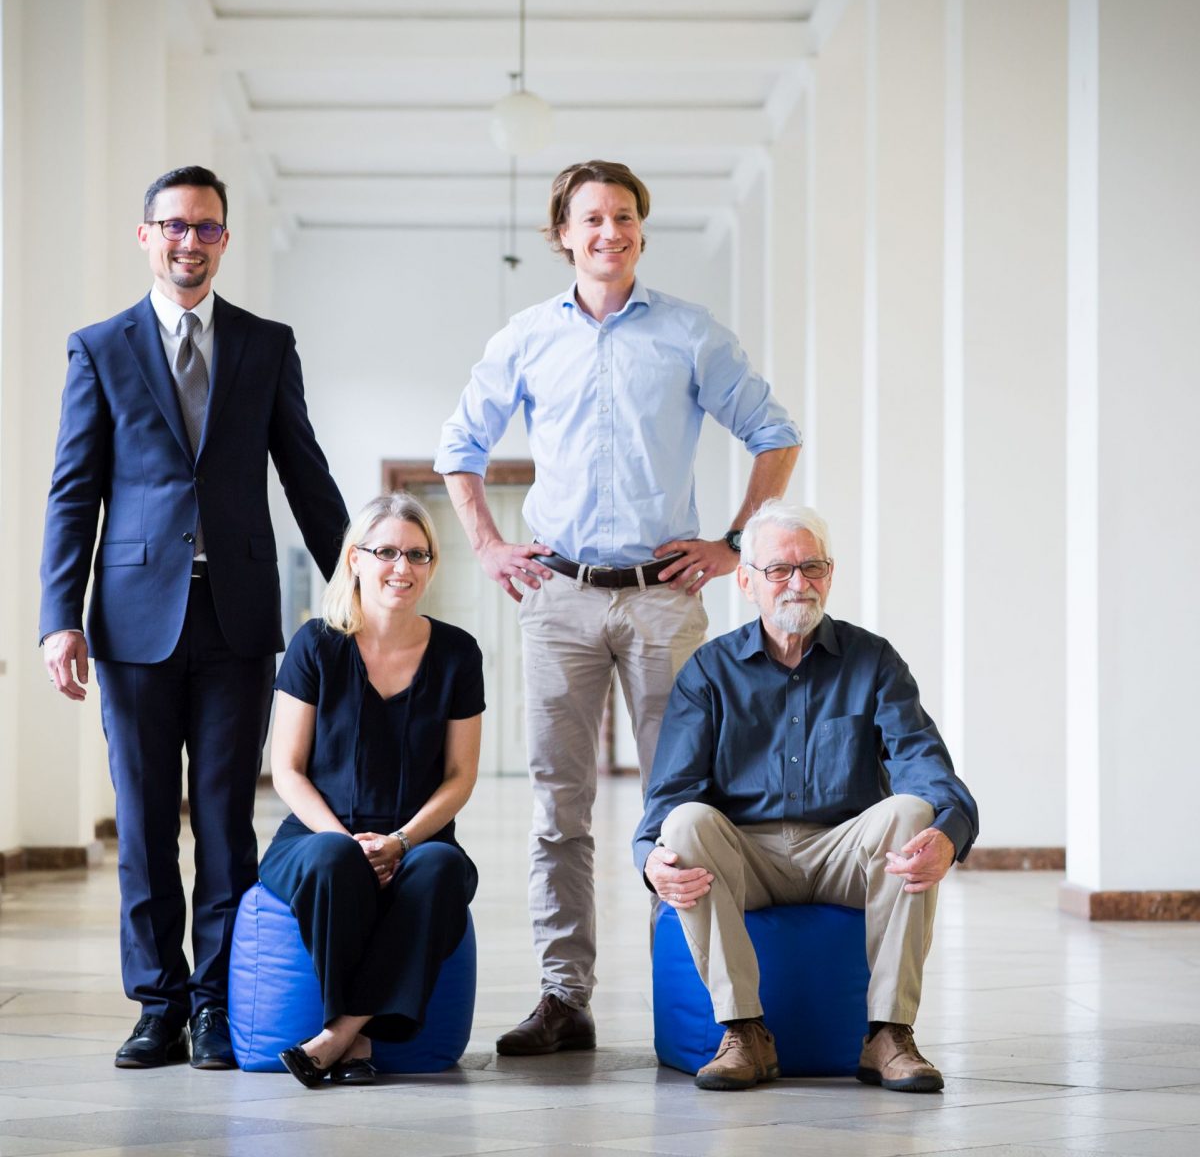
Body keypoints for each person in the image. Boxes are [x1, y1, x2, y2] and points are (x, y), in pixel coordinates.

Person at [435, 160, 801, 1055]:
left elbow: (774, 434)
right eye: (592, 219)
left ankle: (689, 1002)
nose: (611, 232)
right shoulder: (525, 337)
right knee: (560, 807)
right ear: (562, 232)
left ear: (642, 228)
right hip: (557, 598)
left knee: (681, 806)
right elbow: (461, 445)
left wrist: (733, 543)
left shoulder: (688, 334)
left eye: (626, 217)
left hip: (663, 601)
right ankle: (565, 998)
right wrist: (485, 543)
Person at [38, 166, 348, 1071]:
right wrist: (60, 617)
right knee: (141, 822)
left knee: (224, 820)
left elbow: (306, 473)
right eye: (173, 226)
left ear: (223, 240)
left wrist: (353, 590)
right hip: (131, 623)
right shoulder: (99, 348)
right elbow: (72, 491)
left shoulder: (265, 343)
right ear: (146, 236)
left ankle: (215, 1002)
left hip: (239, 618)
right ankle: (156, 1003)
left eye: (206, 228)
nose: (189, 241)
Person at [634, 500, 979, 1093]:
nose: (798, 583)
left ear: (830, 574)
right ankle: (744, 1031)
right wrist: (649, 859)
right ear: (745, 582)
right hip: (748, 857)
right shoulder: (709, 672)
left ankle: (889, 1036)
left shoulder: (873, 661)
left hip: (842, 852)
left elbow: (923, 763)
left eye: (811, 567)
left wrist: (951, 833)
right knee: (685, 824)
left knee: (914, 813)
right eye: (778, 570)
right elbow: (671, 793)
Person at [259, 493, 482, 1088]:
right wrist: (348, 843)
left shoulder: (458, 653)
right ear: (355, 558)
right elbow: (287, 770)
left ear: (432, 565)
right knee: (336, 861)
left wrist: (403, 842)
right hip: (315, 837)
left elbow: (461, 776)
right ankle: (356, 1043)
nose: (402, 568)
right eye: (386, 552)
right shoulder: (315, 645)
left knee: (439, 872)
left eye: (417, 554)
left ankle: (340, 1035)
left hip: (417, 841)